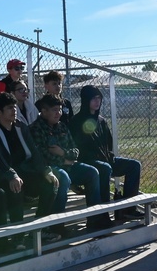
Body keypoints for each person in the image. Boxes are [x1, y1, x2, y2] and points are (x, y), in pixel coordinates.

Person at [0, 92, 59, 232]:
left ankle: (39, 228)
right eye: (10, 108)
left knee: (50, 183)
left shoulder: (21, 127)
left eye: (15, 107)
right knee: (15, 188)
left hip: (24, 171)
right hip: (1, 175)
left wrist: (45, 170)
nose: (14, 111)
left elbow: (35, 152)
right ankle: (18, 237)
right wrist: (11, 175)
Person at [31, 94, 108, 229]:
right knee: (63, 178)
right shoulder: (36, 128)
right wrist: (65, 160)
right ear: (44, 111)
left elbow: (75, 150)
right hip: (50, 168)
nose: (58, 113)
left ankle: (95, 220)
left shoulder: (62, 126)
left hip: (68, 164)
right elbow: (43, 155)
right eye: (55, 110)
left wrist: (63, 153)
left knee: (92, 172)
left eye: (60, 110)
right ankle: (57, 226)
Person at [69, 85, 142, 221]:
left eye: (99, 98)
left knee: (134, 165)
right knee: (104, 168)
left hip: (106, 160)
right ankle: (102, 215)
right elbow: (78, 148)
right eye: (93, 98)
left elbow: (108, 144)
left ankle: (128, 209)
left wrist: (110, 156)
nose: (97, 102)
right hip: (88, 162)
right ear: (86, 100)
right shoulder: (76, 121)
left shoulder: (101, 121)